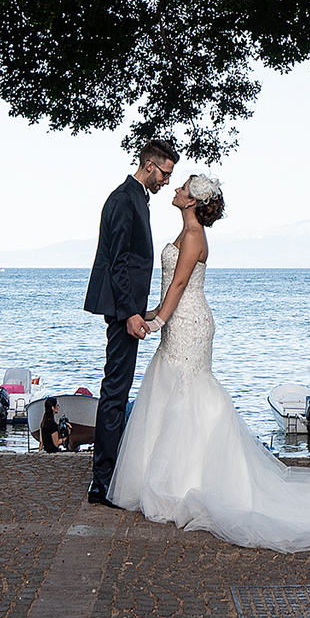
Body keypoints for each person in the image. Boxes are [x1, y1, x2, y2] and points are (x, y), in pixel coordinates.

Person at [108, 174, 310, 551]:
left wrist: (158, 320)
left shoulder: (195, 236)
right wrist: (153, 312)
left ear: (193, 201)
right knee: (172, 392)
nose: (177, 190)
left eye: (183, 188)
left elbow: (179, 286)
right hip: (177, 320)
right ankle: (169, 475)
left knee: (189, 393)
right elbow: (171, 287)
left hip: (188, 323)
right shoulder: (186, 232)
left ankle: (185, 482)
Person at [85, 138, 177, 505]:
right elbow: (120, 261)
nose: (167, 181)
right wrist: (130, 312)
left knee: (117, 389)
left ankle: (111, 473)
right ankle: (103, 482)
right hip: (125, 310)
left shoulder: (137, 198)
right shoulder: (125, 200)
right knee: (115, 391)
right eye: (165, 173)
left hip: (129, 307)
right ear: (150, 164)